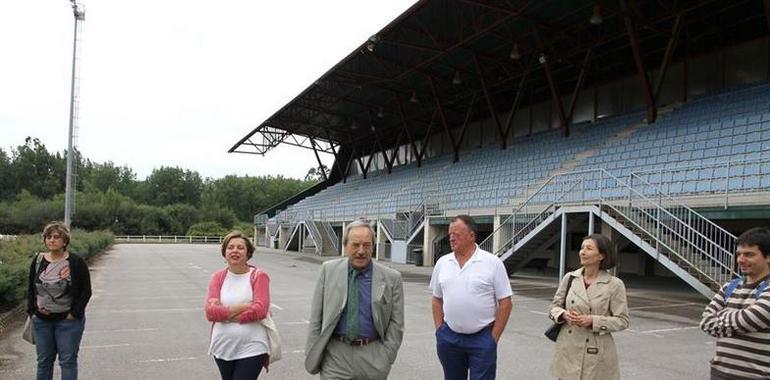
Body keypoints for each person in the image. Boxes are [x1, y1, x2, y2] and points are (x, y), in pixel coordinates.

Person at [305, 220, 404, 380]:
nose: (361, 251)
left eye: (366, 245)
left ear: (373, 246)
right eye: (355, 244)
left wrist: (387, 357)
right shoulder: (328, 270)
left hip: (373, 357)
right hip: (336, 356)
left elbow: (396, 323)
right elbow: (316, 316)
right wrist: (312, 352)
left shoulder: (392, 278)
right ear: (345, 245)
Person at [430, 215, 513, 380]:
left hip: (482, 338)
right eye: (450, 234)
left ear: (472, 236)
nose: (451, 237)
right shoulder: (442, 263)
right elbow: (436, 299)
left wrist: (493, 338)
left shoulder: (492, 263)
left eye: (457, 234)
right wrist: (440, 331)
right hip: (449, 337)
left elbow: (505, 303)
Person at [547, 233, 629, 380]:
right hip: (568, 349)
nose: (582, 252)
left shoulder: (614, 284)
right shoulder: (570, 278)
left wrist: (593, 320)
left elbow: (622, 320)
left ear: (601, 256)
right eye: (582, 248)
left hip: (596, 352)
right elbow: (554, 306)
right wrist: (563, 314)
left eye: (589, 248)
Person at [700, 227, 770, 380]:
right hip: (719, 374)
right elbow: (706, 322)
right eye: (739, 254)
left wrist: (721, 316)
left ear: (768, 257)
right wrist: (739, 320)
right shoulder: (729, 287)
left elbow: (750, 319)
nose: (741, 260)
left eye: (749, 255)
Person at [27, 221, 92, 380]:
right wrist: (32, 312)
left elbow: (86, 291)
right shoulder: (38, 260)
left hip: (68, 322)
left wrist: (74, 314)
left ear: (65, 241)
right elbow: (31, 288)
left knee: (68, 361)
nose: (52, 240)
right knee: (44, 362)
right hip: (42, 322)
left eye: (56, 237)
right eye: (48, 237)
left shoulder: (76, 262)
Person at [205, 231, 272, 380]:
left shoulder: (259, 276)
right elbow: (210, 313)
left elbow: (260, 310)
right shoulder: (217, 277)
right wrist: (244, 306)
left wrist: (225, 314)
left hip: (253, 347)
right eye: (230, 247)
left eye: (240, 248)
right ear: (225, 252)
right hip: (223, 346)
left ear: (248, 253)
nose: (235, 250)